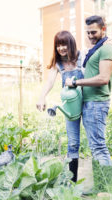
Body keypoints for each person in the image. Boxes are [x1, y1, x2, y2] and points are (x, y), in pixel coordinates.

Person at [65, 15, 112, 167]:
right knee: (96, 147)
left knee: (99, 147)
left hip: (96, 104)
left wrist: (75, 82)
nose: (90, 36)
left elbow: (103, 78)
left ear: (103, 29)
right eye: (87, 32)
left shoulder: (107, 48)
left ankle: (106, 186)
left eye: (93, 32)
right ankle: (104, 186)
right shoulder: (100, 47)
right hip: (91, 103)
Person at [36, 31, 84, 183]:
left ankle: (101, 182)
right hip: (71, 107)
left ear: (71, 43)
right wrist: (42, 96)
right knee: (73, 143)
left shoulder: (82, 57)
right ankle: (72, 183)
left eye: (63, 44)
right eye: (58, 45)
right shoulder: (58, 63)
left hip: (88, 103)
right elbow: (50, 81)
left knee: (95, 141)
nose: (61, 48)